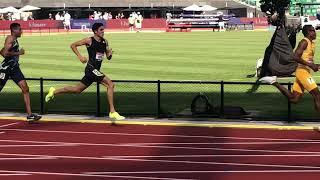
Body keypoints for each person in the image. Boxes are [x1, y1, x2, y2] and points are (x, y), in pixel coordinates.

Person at [45, 23, 125, 121]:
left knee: (77, 90)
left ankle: (53, 91)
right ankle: (112, 112)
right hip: (91, 69)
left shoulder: (105, 42)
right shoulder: (89, 40)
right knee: (110, 84)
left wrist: (110, 54)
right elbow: (73, 45)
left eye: (103, 30)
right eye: (101, 30)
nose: (103, 31)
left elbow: (107, 57)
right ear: (95, 31)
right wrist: (80, 57)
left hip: (96, 70)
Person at [259, 25, 320, 112]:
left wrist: (315, 65)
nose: (315, 33)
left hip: (304, 71)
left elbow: (307, 60)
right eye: (313, 31)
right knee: (317, 95)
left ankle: (274, 82)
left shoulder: (311, 43)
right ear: (309, 32)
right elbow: (295, 57)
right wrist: (311, 65)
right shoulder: (304, 42)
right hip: (302, 72)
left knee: (294, 99)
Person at [0, 23, 41, 122]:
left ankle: (30, 115)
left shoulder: (13, 40)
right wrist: (19, 53)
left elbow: (2, 51)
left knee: (25, 88)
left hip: (14, 68)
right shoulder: (10, 38)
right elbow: (5, 53)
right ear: (14, 30)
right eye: (20, 29)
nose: (21, 31)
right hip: (6, 68)